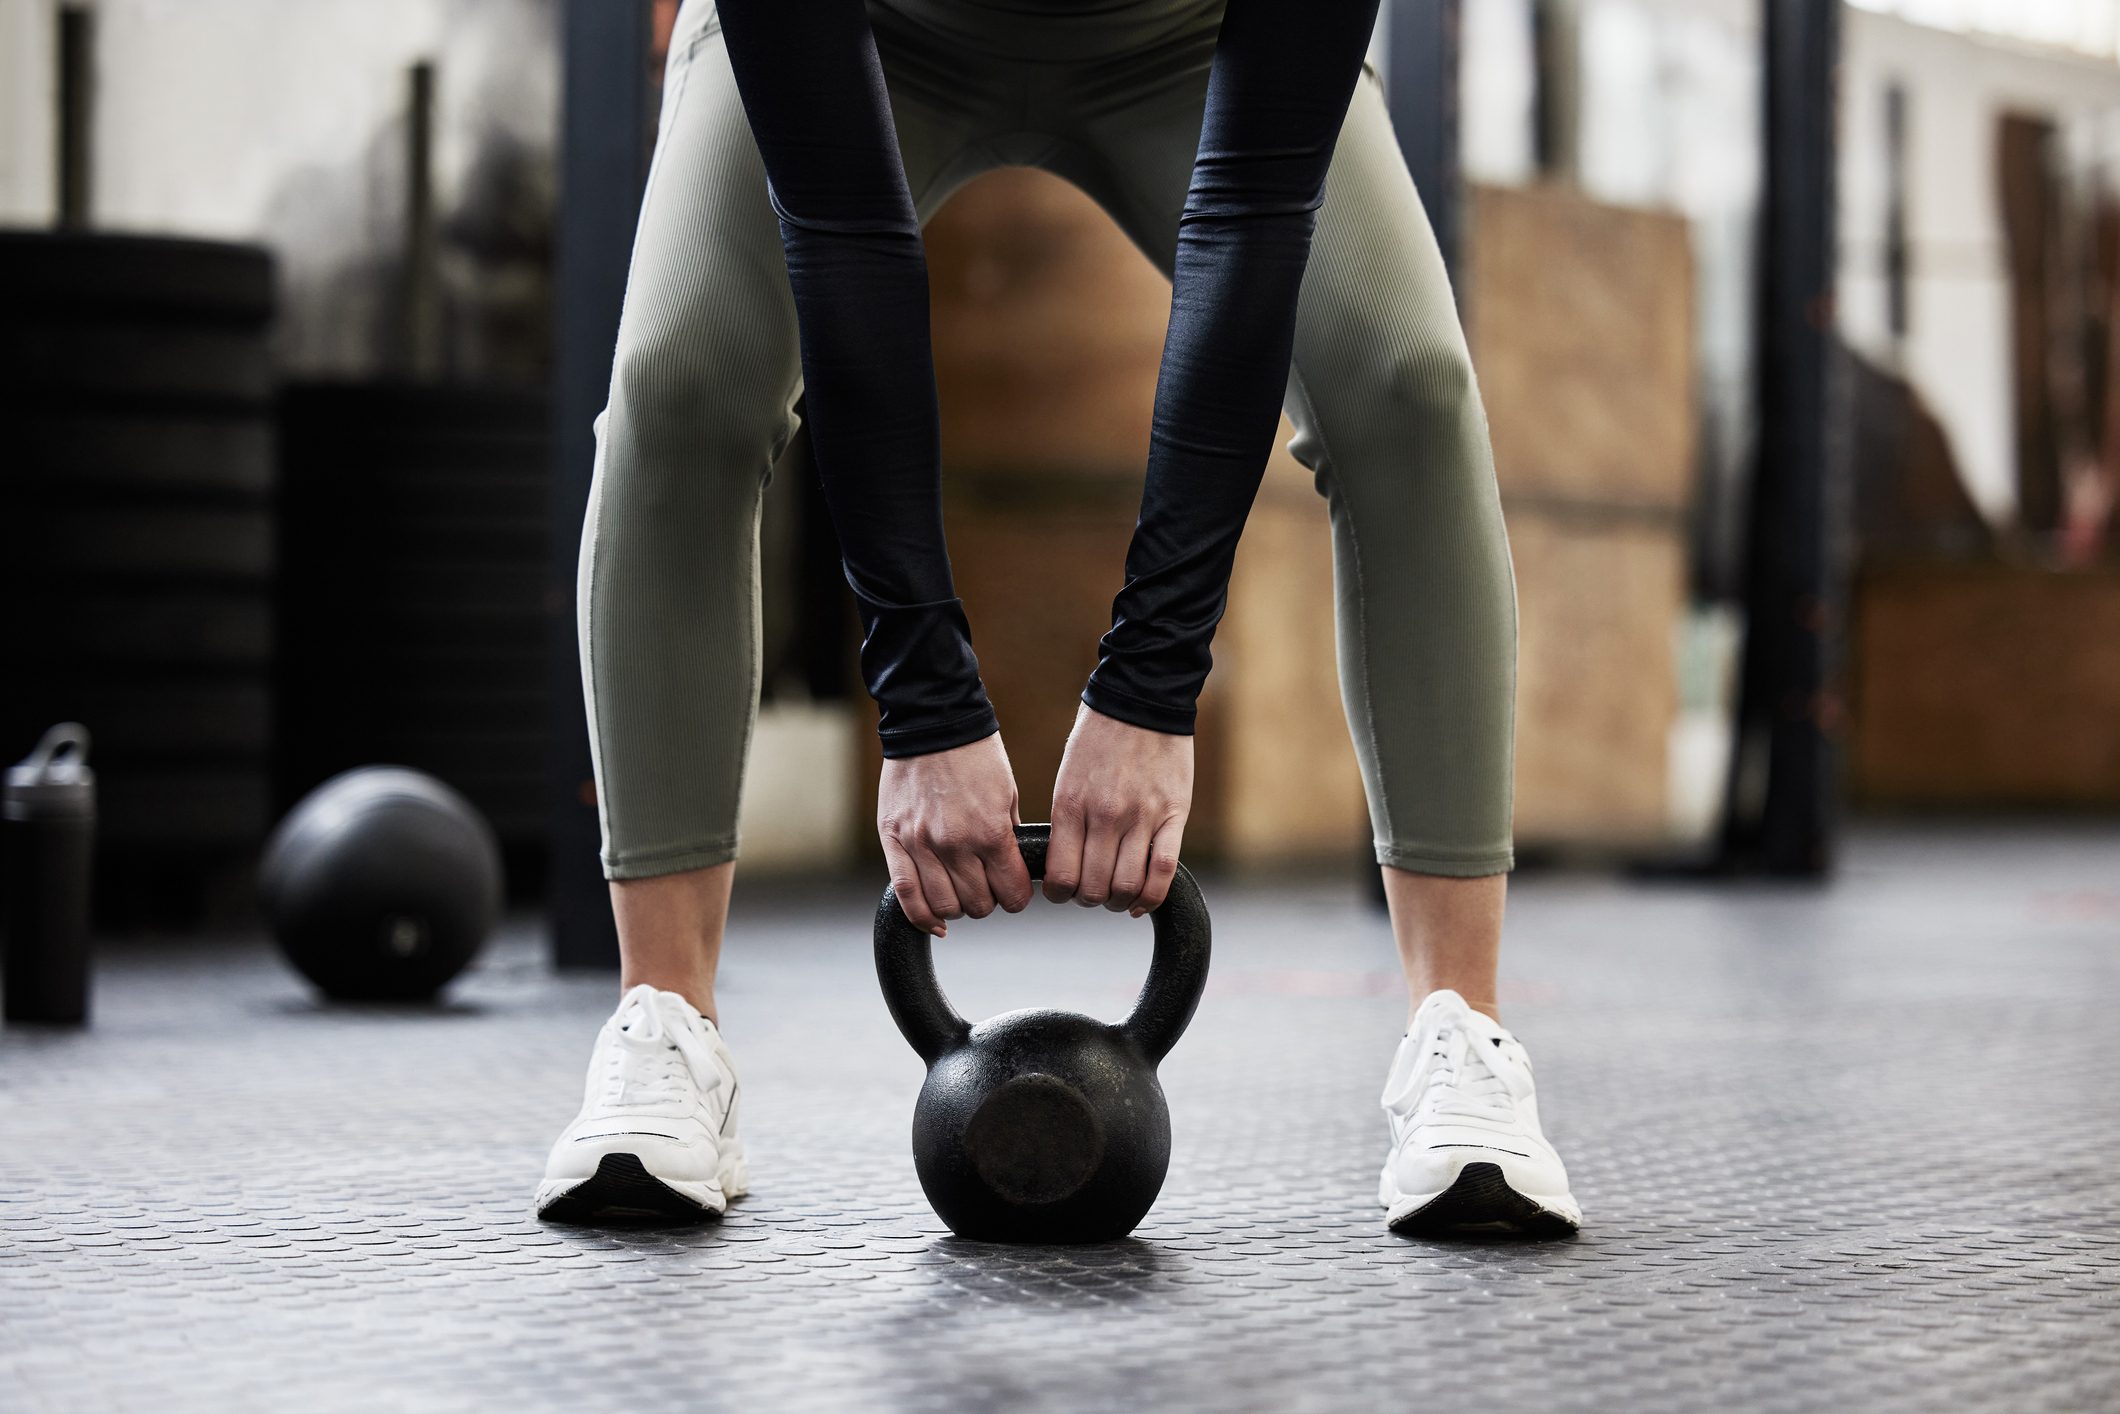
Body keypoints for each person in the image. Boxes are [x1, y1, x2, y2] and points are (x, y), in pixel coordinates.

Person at [534, 0, 1580, 1237]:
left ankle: (1457, 1034)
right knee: (679, 382)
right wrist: (921, 697)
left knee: (1408, 386)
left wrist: (1150, 682)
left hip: (1189, 31)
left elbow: (1248, 218)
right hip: (874, 24)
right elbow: (841, 231)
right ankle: (665, 1031)